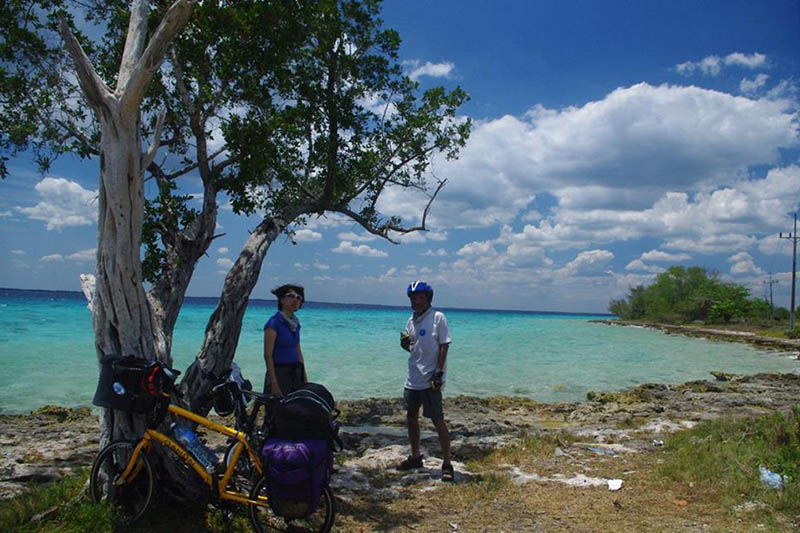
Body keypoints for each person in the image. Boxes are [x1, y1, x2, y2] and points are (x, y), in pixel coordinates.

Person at [397, 280, 454, 482]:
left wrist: (438, 372)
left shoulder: (438, 317)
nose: (416, 301)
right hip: (412, 377)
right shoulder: (410, 321)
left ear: (428, 298)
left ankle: (447, 464)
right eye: (413, 298)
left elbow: (444, 345)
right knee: (411, 418)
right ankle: (415, 457)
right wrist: (405, 345)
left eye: (420, 297)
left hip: (431, 378)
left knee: (437, 420)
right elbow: (413, 348)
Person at [263, 284, 308, 397]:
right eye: (291, 296)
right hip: (279, 374)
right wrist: (274, 383)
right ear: (281, 299)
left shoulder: (296, 324)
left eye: (299, 298)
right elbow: (268, 355)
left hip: (296, 372)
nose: (295, 300)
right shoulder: (274, 323)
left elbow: (298, 351)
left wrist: (304, 376)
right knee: (276, 411)